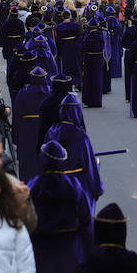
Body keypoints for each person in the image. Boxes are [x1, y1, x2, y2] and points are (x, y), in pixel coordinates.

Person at [25, 141, 91, 273]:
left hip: (40, 248)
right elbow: (85, 219)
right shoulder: (74, 185)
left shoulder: (33, 186)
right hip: (68, 248)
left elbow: (23, 219)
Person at [43, 94, 103, 222]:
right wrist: (97, 188)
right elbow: (89, 166)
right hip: (78, 185)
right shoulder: (80, 136)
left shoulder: (51, 132)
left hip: (54, 185)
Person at [12, 67, 51, 181]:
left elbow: (17, 114)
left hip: (27, 128)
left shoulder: (23, 93)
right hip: (45, 127)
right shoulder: (49, 92)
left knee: (28, 158)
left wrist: (16, 134)